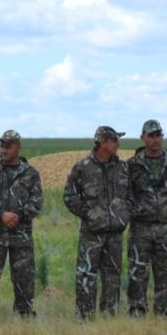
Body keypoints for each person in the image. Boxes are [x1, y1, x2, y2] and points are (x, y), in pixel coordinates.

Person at [64, 126, 131, 319]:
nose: (118, 145)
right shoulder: (83, 167)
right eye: (115, 141)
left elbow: (131, 197)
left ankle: (109, 317)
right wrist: (89, 214)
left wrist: (124, 215)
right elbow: (69, 196)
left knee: (113, 277)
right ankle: (85, 317)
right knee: (86, 276)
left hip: (115, 234)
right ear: (103, 143)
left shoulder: (122, 168)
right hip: (91, 233)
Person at [0, 130, 44, 321]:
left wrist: (19, 216)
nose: (4, 150)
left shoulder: (31, 174)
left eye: (8, 146)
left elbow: (37, 202)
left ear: (18, 147)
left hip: (21, 235)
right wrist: (1, 214)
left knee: (24, 277)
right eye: (2, 146)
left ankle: (24, 314)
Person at [126, 119, 167, 317]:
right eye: (150, 135)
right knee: (138, 272)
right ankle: (137, 311)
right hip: (140, 228)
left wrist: (165, 211)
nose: (155, 139)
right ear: (142, 137)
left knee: (166, 272)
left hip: (166, 228)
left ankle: (162, 311)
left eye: (158, 135)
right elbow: (128, 195)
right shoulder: (132, 165)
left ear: (163, 136)